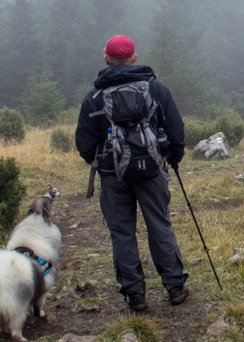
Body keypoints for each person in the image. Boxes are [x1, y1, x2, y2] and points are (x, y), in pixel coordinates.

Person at [75, 34, 189, 311]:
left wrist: (104, 164)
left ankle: (135, 294)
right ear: (134, 58)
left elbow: (85, 143)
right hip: (151, 170)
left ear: (107, 59)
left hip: (113, 175)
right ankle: (175, 287)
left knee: (122, 233)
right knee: (159, 224)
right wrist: (171, 159)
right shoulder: (156, 90)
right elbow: (175, 131)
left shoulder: (94, 97)